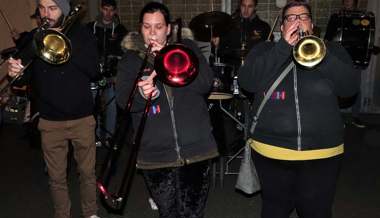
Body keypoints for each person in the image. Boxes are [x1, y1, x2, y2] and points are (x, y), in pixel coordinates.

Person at [238, 1, 359, 218]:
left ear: (312, 24)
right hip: (271, 152)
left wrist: (323, 56)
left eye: (303, 17)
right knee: (274, 211)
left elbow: (349, 87)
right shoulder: (265, 49)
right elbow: (248, 82)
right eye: (291, 18)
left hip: (322, 154)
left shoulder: (333, 50)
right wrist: (282, 49)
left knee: (317, 212)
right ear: (282, 27)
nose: (297, 21)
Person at [115, 2, 218, 218]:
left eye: (158, 27)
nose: (152, 33)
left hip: (197, 150)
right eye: (146, 26)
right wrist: (142, 95)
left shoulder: (187, 48)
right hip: (156, 155)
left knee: (193, 213)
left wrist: (175, 58)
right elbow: (124, 102)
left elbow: (206, 83)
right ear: (140, 28)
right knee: (168, 213)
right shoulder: (131, 60)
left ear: (168, 29)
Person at [7, 0, 101, 218]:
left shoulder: (82, 35)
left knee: (87, 172)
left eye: (52, 8)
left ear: (64, 10)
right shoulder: (33, 38)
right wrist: (15, 72)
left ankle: (91, 213)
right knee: (56, 177)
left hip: (82, 117)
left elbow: (94, 70)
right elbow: (22, 79)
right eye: (42, 7)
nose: (45, 13)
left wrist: (66, 43)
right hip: (50, 120)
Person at [87, 0, 128, 145]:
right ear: (101, 9)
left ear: (115, 11)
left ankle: (110, 136)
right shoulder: (89, 28)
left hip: (111, 75)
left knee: (111, 105)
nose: (108, 13)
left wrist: (118, 73)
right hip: (93, 74)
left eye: (111, 10)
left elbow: (126, 54)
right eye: (105, 9)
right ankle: (95, 136)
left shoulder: (121, 30)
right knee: (93, 105)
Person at [325, 0, 366, 128]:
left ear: (355, 2)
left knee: (355, 86)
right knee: (336, 86)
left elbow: (364, 37)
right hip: (338, 58)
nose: (348, 2)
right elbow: (328, 37)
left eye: (351, 0)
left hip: (355, 57)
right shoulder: (336, 16)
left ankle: (355, 117)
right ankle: (337, 117)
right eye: (346, 0)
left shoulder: (362, 17)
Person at [212, 0, 271, 67]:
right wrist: (216, 45)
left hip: (255, 67)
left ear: (255, 7)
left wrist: (268, 46)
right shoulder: (228, 25)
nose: (246, 10)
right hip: (232, 67)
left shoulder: (264, 27)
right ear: (240, 6)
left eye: (250, 6)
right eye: (243, 6)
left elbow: (269, 52)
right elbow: (218, 52)